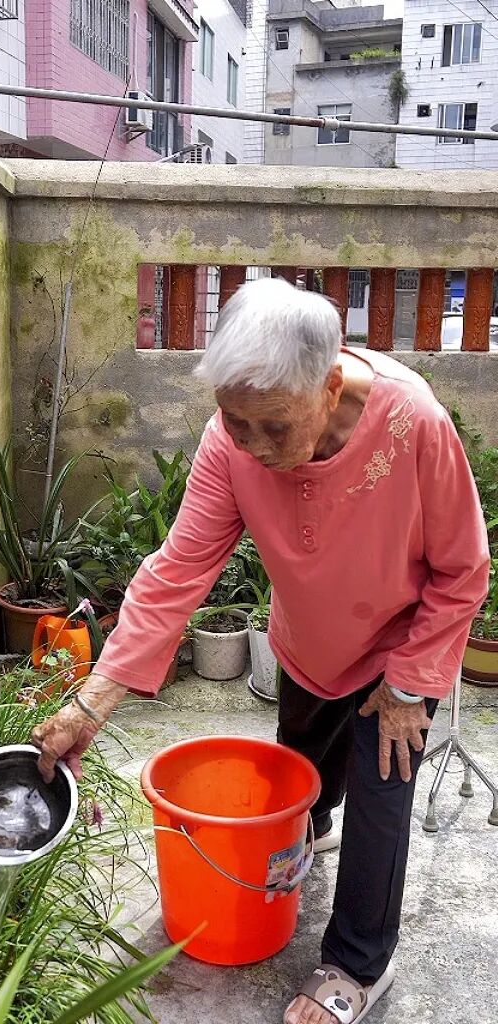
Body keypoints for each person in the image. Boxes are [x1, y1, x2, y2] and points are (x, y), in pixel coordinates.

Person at [32, 279, 489, 1024]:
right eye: (234, 420)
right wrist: (92, 703)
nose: (253, 445)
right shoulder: (232, 441)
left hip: (401, 648)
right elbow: (180, 568)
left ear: (331, 381)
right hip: (309, 638)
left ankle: (358, 962)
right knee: (303, 770)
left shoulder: (415, 423)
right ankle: (314, 830)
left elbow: (463, 568)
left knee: (382, 788)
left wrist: (410, 687)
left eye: (274, 426)